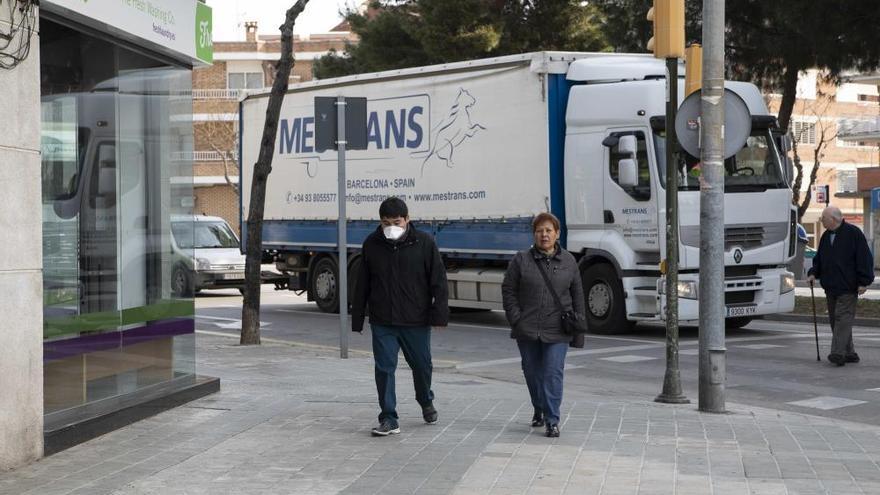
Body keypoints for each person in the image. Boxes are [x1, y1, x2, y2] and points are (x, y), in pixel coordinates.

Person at [352, 197, 449, 436]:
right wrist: (357, 318)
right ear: (380, 222)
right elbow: (362, 282)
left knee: (422, 366)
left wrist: (439, 315)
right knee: (384, 368)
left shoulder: (424, 243)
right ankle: (388, 417)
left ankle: (425, 399)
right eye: (386, 223)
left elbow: (439, 281)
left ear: (407, 219)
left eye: (397, 221)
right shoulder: (372, 244)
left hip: (416, 319)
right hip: (383, 320)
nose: (392, 227)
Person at [501, 212, 586, 438]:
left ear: (557, 234)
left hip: (558, 329)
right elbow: (508, 290)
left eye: (549, 230)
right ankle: (539, 407)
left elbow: (578, 295)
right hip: (527, 328)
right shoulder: (521, 260)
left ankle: (552, 419)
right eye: (539, 231)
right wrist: (516, 318)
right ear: (534, 234)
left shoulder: (569, 261)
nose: (544, 235)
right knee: (532, 372)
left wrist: (579, 332)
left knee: (551, 372)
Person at [807, 205, 874, 366]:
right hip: (831, 287)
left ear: (834, 219)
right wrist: (813, 272)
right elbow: (820, 259)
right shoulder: (825, 236)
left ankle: (837, 353)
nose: (822, 220)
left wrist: (864, 281)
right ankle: (850, 353)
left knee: (842, 319)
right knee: (835, 321)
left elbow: (864, 258)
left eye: (824, 218)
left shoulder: (853, 234)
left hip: (848, 287)